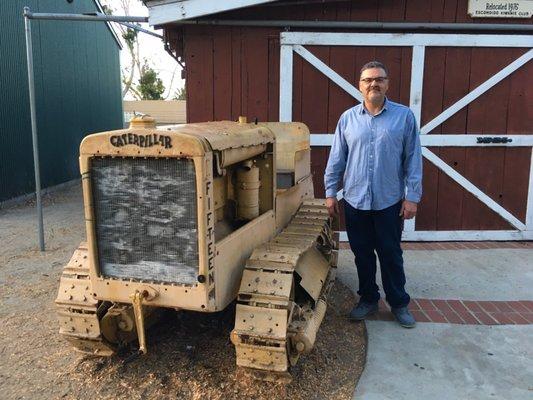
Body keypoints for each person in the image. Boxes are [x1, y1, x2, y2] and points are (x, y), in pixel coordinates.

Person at [324, 61, 422, 328]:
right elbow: (336, 159)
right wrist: (330, 192)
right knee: (362, 254)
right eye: (368, 80)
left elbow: (413, 158)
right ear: (360, 85)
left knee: (390, 253)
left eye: (379, 79)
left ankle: (399, 303)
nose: (373, 84)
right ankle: (368, 299)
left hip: (389, 201)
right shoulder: (348, 119)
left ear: (387, 83)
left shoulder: (404, 117)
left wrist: (412, 196)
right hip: (355, 201)